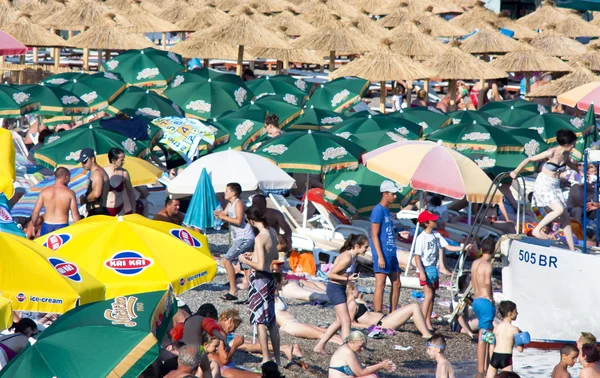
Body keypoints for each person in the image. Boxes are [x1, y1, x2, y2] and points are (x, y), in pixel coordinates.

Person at [511, 129, 578, 250]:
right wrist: (515, 172)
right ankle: (537, 229)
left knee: (565, 217)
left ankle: (572, 248)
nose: (574, 146)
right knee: (559, 209)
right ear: (567, 144)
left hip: (555, 185)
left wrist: (580, 171)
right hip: (544, 184)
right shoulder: (551, 153)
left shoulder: (566, 154)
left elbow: (568, 163)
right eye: (573, 144)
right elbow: (529, 159)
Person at [313, 234, 369, 355]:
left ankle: (319, 346)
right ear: (357, 246)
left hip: (340, 288)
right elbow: (330, 275)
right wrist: (348, 279)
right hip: (335, 288)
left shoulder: (353, 257)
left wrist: (349, 279)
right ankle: (347, 351)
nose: (366, 249)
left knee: (339, 321)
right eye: (365, 247)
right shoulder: (347, 257)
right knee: (346, 321)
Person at [239, 206, 281, 366]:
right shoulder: (272, 232)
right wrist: (254, 255)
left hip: (260, 280)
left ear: (250, 220)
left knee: (260, 320)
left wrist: (245, 260)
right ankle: (276, 359)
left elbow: (260, 265)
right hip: (270, 278)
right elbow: (274, 256)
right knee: (271, 320)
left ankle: (266, 358)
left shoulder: (259, 237)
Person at [414, 211, 470, 332]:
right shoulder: (421, 238)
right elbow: (417, 257)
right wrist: (422, 272)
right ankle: (421, 323)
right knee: (428, 296)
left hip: (433, 270)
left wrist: (463, 248)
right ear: (426, 223)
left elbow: (448, 247)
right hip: (425, 269)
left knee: (432, 296)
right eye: (433, 220)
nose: (435, 222)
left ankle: (427, 322)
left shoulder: (436, 235)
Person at [273, 273, 344, 345]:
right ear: (278, 284)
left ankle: (347, 341)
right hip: (289, 325)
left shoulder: (277, 295)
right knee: (322, 335)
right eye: (282, 281)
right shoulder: (270, 298)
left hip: (295, 322)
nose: (284, 282)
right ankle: (345, 345)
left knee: (326, 331)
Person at [346, 282, 433, 338]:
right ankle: (426, 334)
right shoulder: (352, 304)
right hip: (382, 323)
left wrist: (360, 299)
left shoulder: (355, 302)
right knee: (414, 307)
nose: (359, 290)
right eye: (357, 288)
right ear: (352, 291)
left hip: (384, 319)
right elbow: (350, 322)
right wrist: (369, 326)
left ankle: (425, 331)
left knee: (412, 307)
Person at [215, 182, 255, 301]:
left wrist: (222, 217)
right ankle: (252, 294)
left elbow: (238, 221)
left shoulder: (239, 203)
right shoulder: (230, 203)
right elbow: (224, 215)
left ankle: (233, 290)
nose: (224, 193)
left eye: (227, 191)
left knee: (227, 260)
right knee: (246, 265)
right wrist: (217, 214)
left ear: (233, 193)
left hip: (245, 237)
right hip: (239, 237)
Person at [370, 180, 401, 313]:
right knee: (380, 284)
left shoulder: (387, 211)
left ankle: (393, 312)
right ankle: (378, 314)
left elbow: (386, 231)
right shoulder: (378, 210)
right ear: (385, 194)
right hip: (382, 253)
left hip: (391, 252)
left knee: (397, 283)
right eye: (393, 194)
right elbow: (374, 235)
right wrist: (380, 256)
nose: (395, 196)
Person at [30, 167, 81, 236]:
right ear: (65, 176)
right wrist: (79, 228)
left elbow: (35, 212)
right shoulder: (70, 193)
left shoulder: (44, 192)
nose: (69, 180)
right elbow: (75, 214)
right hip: (62, 226)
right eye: (69, 178)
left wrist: (33, 226)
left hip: (47, 226)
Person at [472, 238, 496, 377]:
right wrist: (491, 298)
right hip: (484, 300)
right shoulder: (487, 265)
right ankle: (481, 371)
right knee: (484, 336)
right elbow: (487, 283)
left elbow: (473, 280)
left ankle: (485, 367)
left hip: (476, 300)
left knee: (486, 335)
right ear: (493, 251)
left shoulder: (475, 263)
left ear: (482, 249)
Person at [328, 331, 396, 377]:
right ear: (351, 342)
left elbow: (362, 369)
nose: (362, 349)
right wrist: (380, 365)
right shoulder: (348, 352)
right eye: (360, 346)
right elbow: (360, 372)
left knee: (372, 375)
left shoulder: (348, 349)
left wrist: (383, 365)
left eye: (364, 346)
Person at [486, 301, 524, 378]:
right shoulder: (515, 329)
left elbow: (491, 346)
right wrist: (522, 340)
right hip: (506, 357)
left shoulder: (496, 328)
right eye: (515, 311)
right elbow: (520, 349)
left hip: (495, 356)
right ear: (510, 313)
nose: (517, 313)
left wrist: (491, 358)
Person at [103, 148, 136, 216]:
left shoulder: (124, 173)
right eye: (122, 160)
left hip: (119, 209)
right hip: (105, 209)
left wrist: (134, 211)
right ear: (113, 160)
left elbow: (131, 193)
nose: (123, 162)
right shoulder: (103, 171)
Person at [79, 148, 110, 216]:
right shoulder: (94, 173)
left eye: (85, 161)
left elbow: (96, 194)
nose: (83, 164)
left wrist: (85, 199)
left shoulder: (97, 173)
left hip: (97, 212)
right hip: (97, 210)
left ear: (92, 159)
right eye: (82, 162)